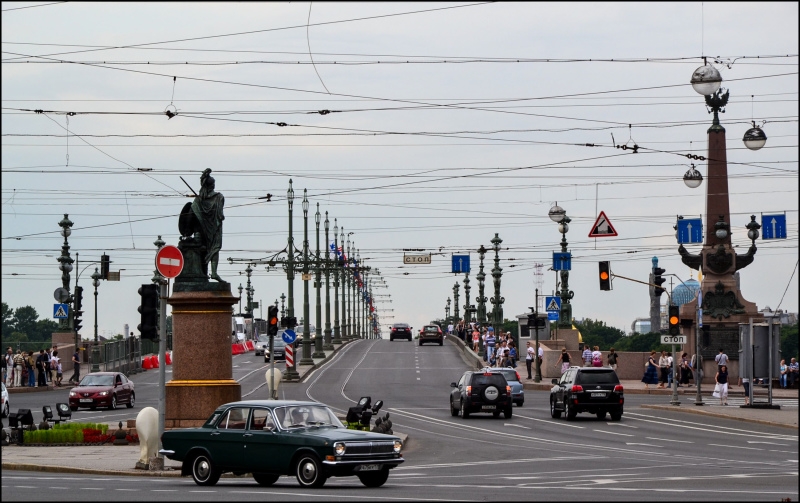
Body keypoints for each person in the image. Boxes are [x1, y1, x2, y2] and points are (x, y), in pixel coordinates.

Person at [191, 168, 225, 281]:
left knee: (203, 249)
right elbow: (220, 216)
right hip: (215, 230)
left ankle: (203, 272)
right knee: (215, 248)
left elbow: (192, 215)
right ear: (213, 185)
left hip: (201, 232)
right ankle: (214, 273)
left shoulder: (198, 201)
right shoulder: (219, 197)